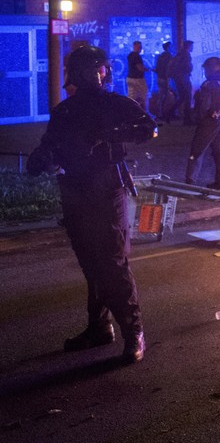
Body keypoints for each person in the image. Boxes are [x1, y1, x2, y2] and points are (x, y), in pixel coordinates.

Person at [27, 45, 157, 364]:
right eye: (101, 68)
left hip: (107, 190)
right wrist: (41, 159)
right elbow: (51, 147)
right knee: (91, 264)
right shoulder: (65, 111)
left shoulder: (114, 104)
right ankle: (99, 328)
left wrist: (108, 133)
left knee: (112, 263)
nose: (104, 73)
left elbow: (148, 128)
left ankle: (133, 332)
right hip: (75, 192)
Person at [185, 57, 220, 189]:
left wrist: (198, 118)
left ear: (210, 69)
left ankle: (190, 181)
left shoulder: (208, 85)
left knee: (197, 151)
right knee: (219, 150)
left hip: (208, 121)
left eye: (206, 69)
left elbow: (204, 106)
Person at [170, 40, 195, 125]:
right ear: (188, 46)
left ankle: (169, 113)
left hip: (178, 78)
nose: (192, 48)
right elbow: (187, 67)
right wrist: (190, 69)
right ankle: (187, 119)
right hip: (184, 78)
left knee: (182, 97)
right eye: (192, 46)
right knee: (187, 97)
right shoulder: (186, 55)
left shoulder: (179, 54)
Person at [153, 41, 175, 122]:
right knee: (167, 96)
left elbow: (157, 68)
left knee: (161, 96)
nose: (173, 48)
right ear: (168, 47)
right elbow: (169, 69)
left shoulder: (160, 56)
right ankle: (167, 114)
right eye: (171, 46)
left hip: (160, 78)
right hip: (166, 78)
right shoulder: (169, 56)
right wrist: (169, 79)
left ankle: (160, 113)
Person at [125, 41, 149, 111]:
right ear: (135, 46)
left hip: (129, 78)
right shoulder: (137, 56)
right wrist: (147, 69)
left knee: (131, 97)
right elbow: (140, 68)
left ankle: (130, 113)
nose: (140, 48)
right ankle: (146, 113)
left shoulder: (130, 55)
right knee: (144, 96)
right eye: (139, 47)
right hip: (138, 79)